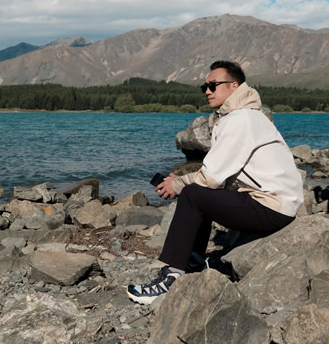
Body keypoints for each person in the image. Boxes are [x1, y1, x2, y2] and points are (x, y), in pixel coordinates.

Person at [126, 60, 303, 304]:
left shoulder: (241, 119)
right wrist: (183, 180)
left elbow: (211, 178)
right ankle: (192, 267)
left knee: (193, 195)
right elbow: (223, 175)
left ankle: (173, 277)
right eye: (204, 87)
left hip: (271, 207)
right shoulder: (245, 116)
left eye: (213, 85)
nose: (207, 91)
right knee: (198, 193)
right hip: (274, 204)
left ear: (234, 86)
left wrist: (178, 185)